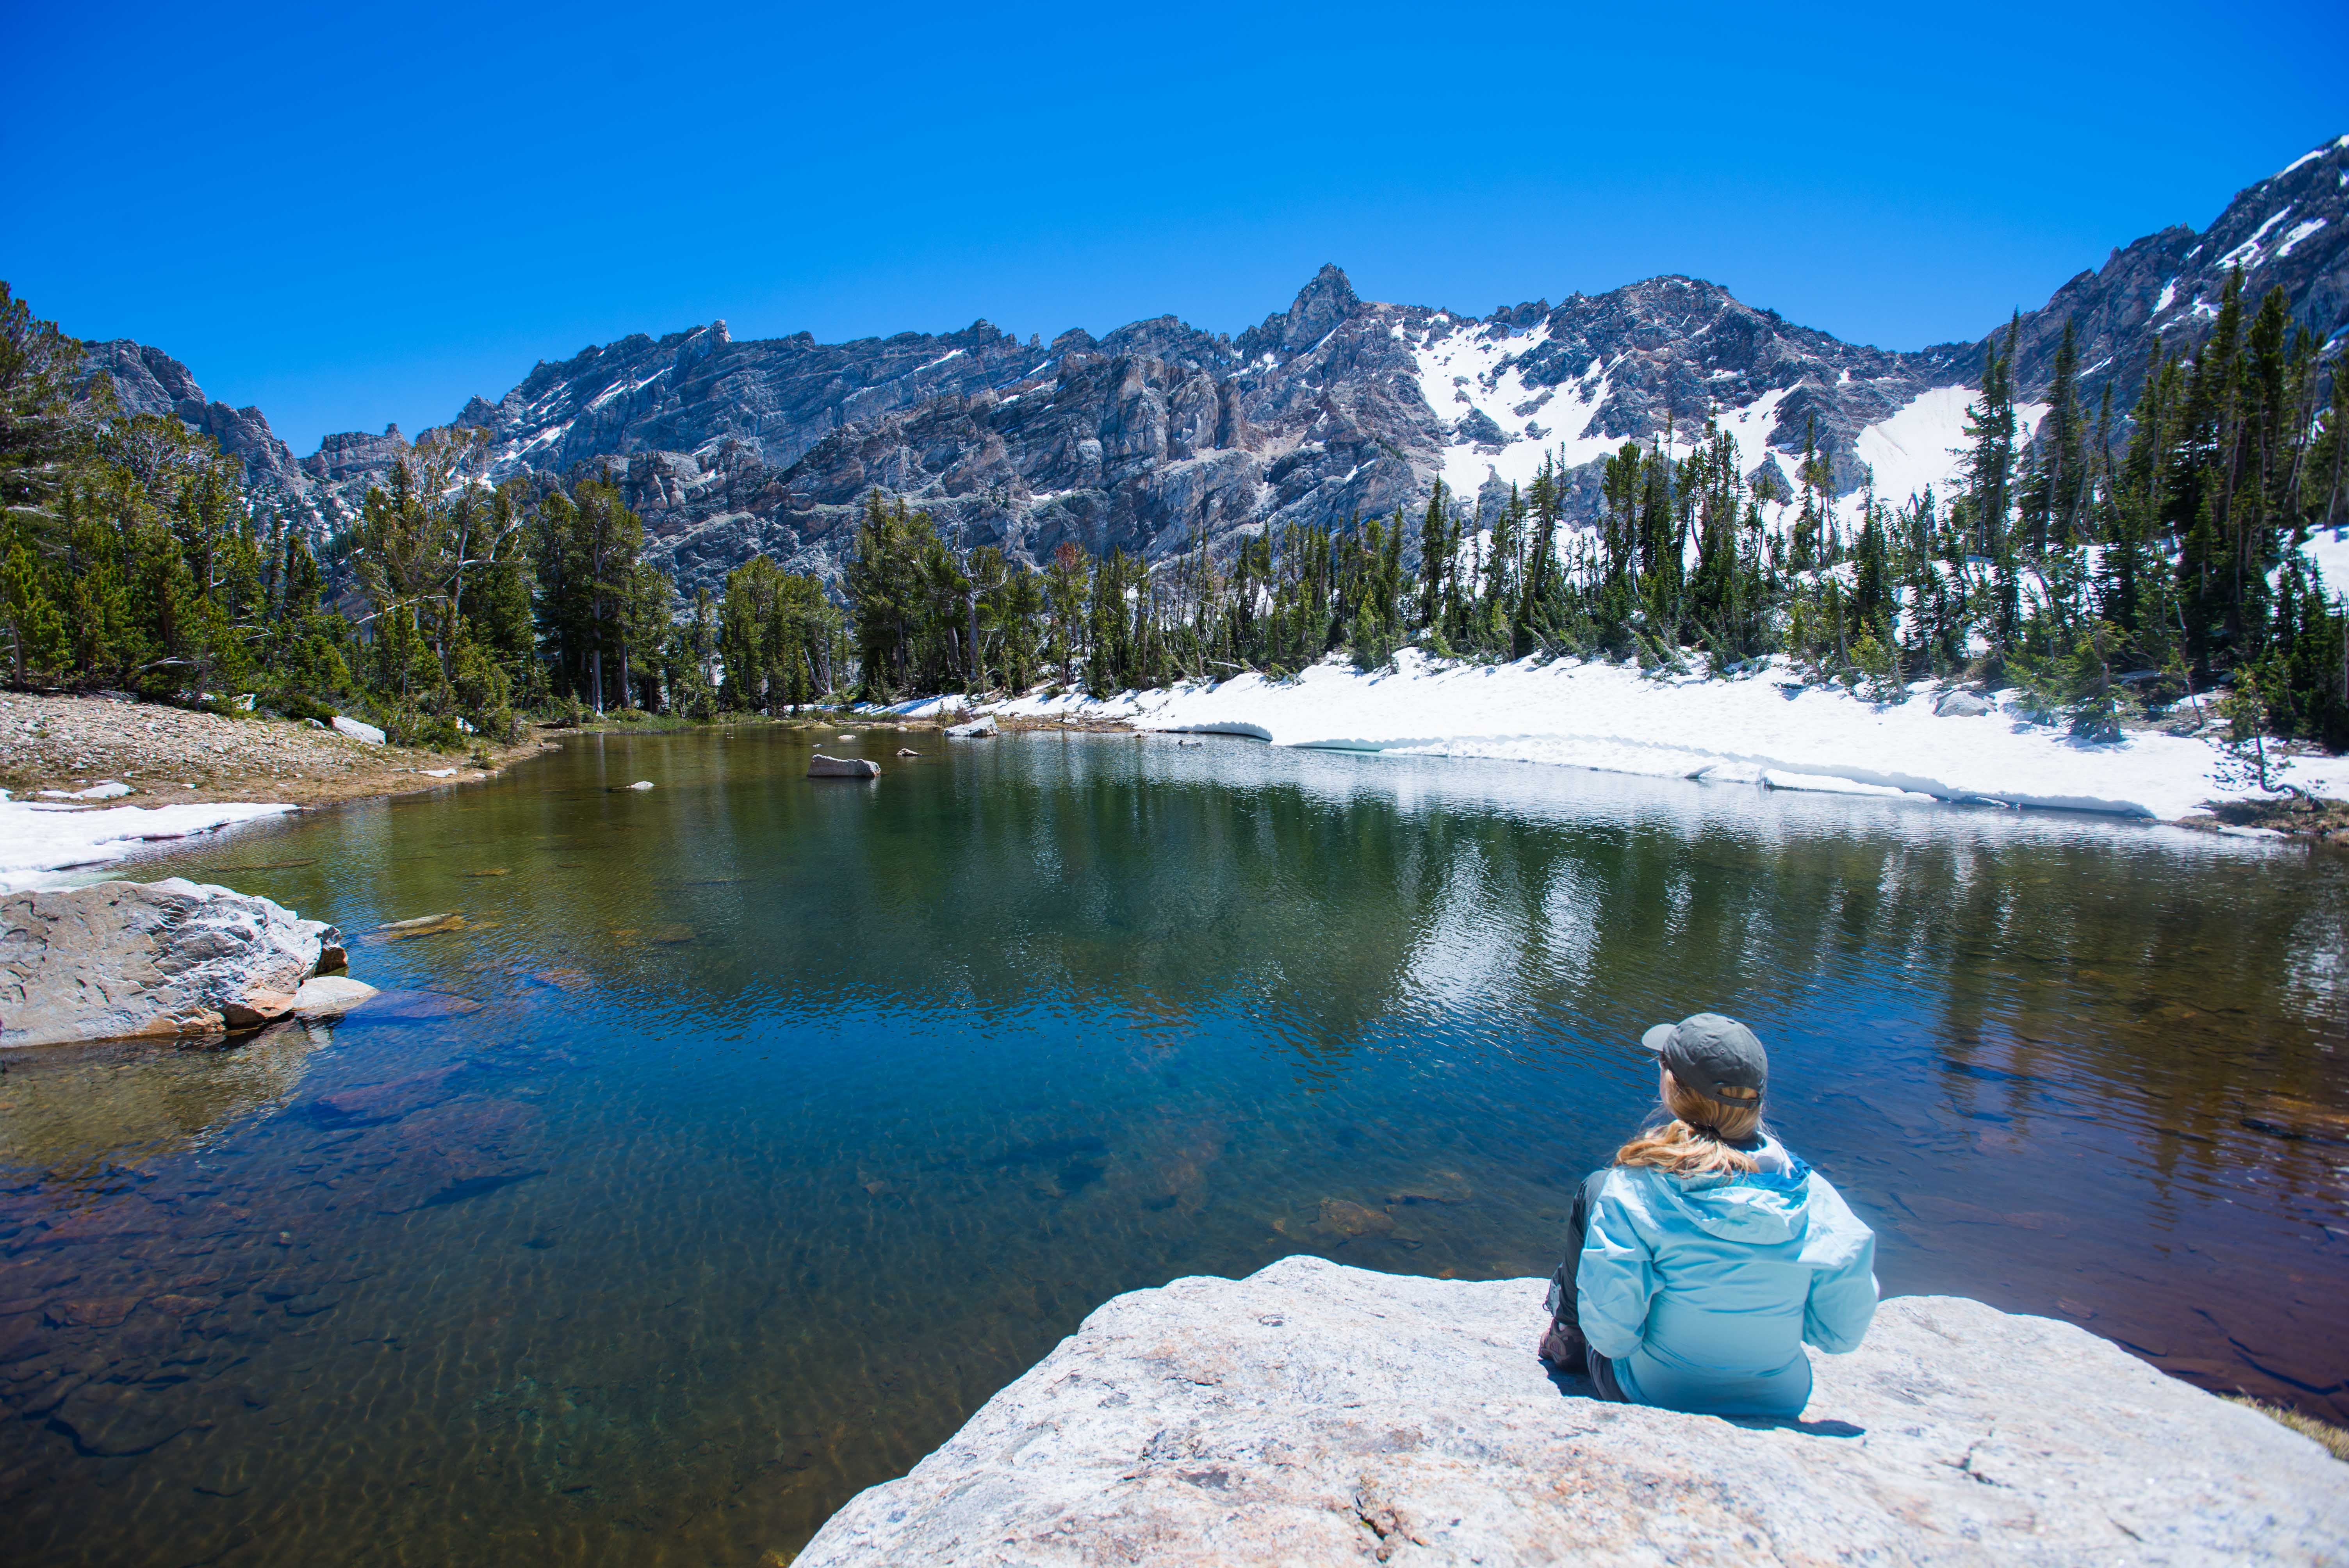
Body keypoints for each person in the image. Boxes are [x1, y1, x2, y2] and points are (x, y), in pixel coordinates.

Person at [1538, 1012, 1877, 1418]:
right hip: (1778, 1399)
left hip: (1651, 1392)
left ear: (1673, 1090)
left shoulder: (1632, 1189)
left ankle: (1565, 1334)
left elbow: (1612, 1338)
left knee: (1594, 1187)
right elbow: (1839, 1334)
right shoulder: (1818, 1199)